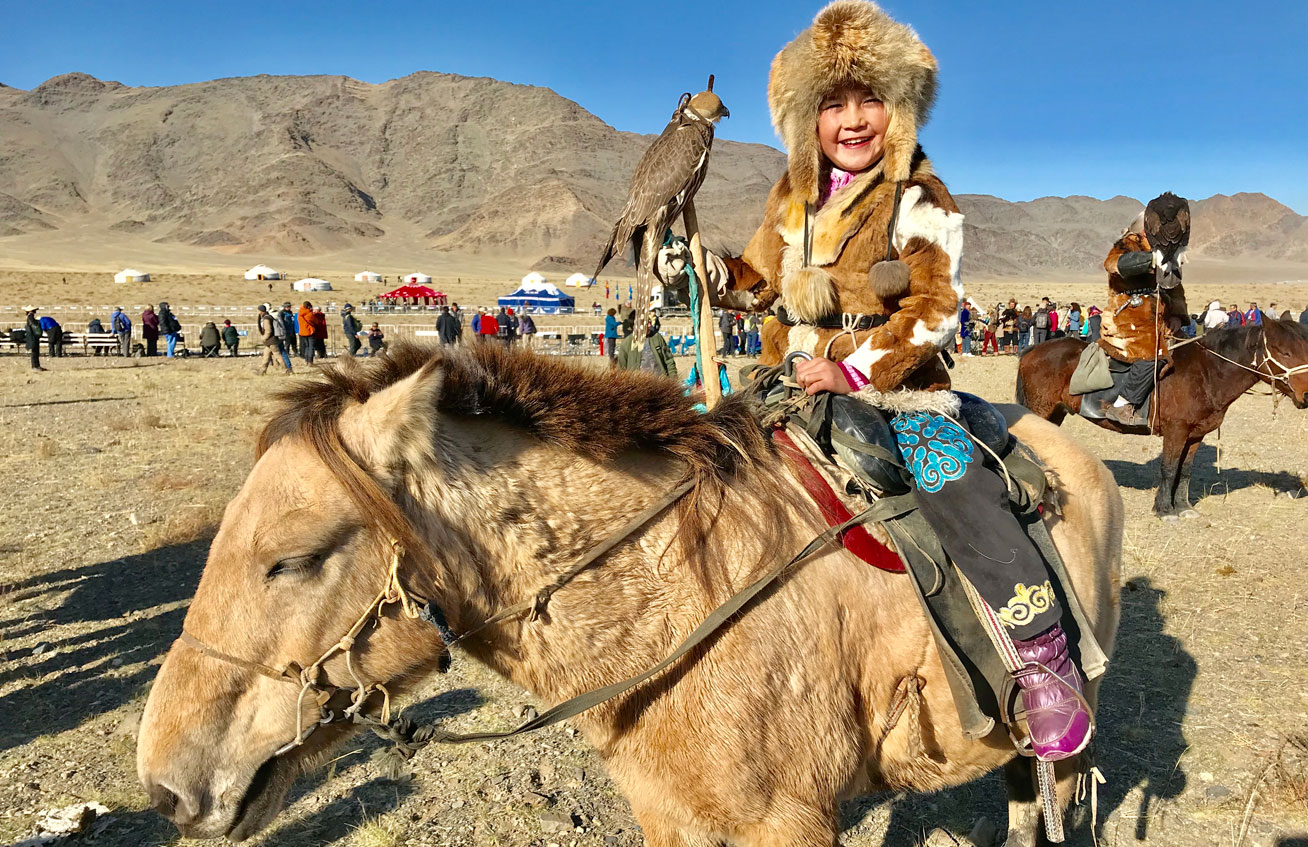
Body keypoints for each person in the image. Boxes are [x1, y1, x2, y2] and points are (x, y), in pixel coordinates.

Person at [685, 1, 1091, 761]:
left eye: (868, 99)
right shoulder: (791, 197)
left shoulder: (918, 197)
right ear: (806, 117)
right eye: (832, 103)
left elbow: (935, 310)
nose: (852, 119)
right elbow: (758, 283)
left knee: (954, 478)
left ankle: (1041, 658)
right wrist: (713, 273)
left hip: (895, 388)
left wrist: (852, 369)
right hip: (786, 379)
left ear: (898, 109)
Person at [1098, 195, 1191, 426]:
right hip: (1128, 316)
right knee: (1152, 355)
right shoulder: (1127, 244)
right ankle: (1122, 405)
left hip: (1161, 318)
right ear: (1145, 230)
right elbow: (1112, 264)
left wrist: (1178, 315)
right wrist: (1150, 259)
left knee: (1191, 351)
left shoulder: (1168, 251)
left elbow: (1175, 288)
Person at [256, 304, 293, 375]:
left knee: (278, 356)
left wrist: (264, 338)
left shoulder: (266, 319)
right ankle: (262, 371)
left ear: (261, 311)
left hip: (271, 340)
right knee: (266, 356)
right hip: (269, 341)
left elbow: (268, 330)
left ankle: (286, 370)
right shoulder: (267, 317)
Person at [24, 306, 44, 371]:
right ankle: (35, 366)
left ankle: (36, 365)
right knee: (35, 352)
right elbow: (34, 325)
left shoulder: (30, 317)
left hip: (33, 335)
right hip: (33, 336)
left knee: (35, 351)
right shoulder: (31, 317)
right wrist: (38, 322)